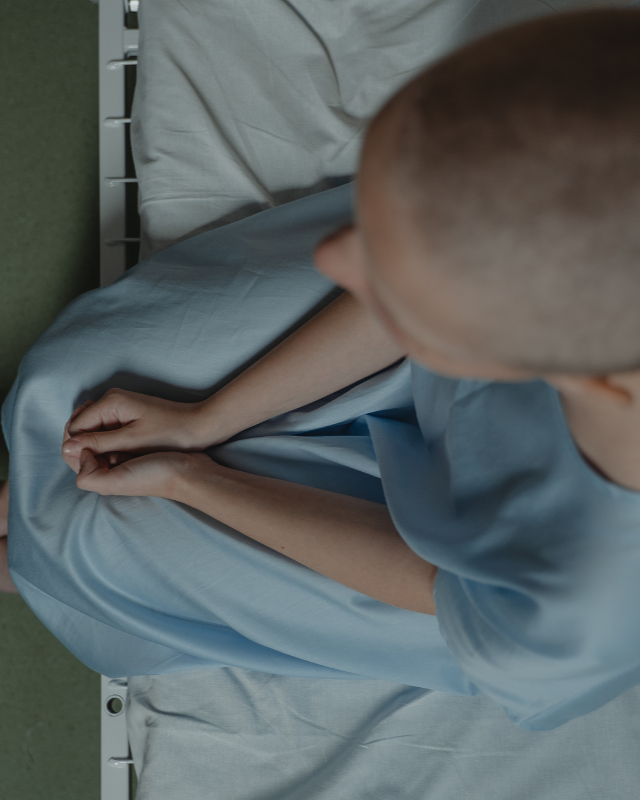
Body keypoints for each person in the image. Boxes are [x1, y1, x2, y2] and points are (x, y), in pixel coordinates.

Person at [3, 8, 640, 731]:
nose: (336, 256)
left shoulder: (577, 613)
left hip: (441, 567)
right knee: (74, 385)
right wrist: (207, 417)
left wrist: (197, 476)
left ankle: (44, 551)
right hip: (449, 324)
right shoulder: (591, 185)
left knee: (92, 532)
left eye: (388, 266)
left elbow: (426, 578)